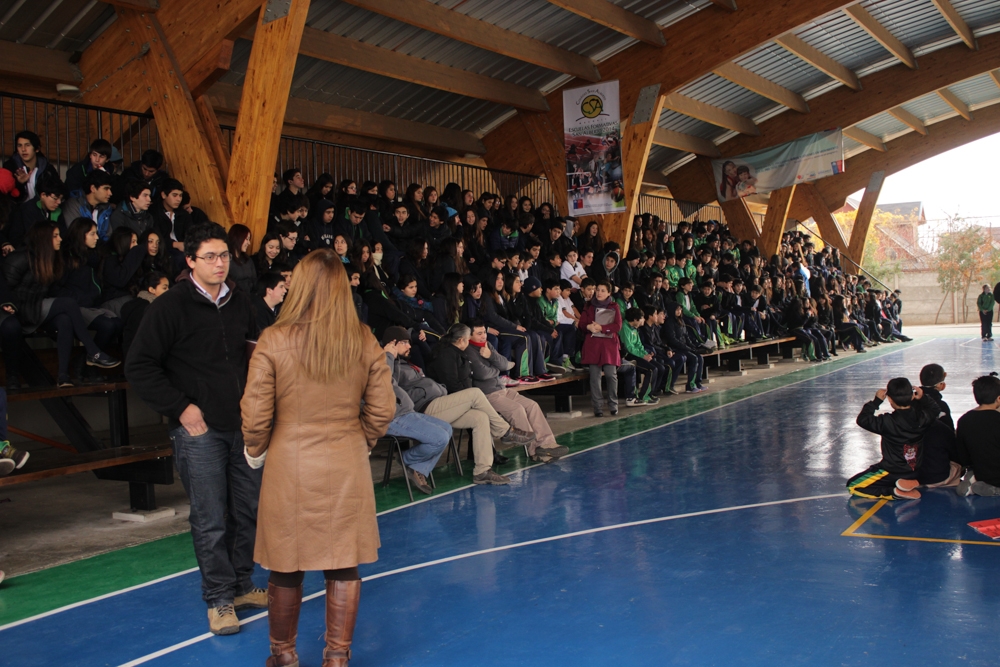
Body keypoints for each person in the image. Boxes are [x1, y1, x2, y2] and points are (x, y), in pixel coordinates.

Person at [240, 249, 394, 667]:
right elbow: (383, 409)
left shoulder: (274, 338)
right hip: (345, 462)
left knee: (285, 565)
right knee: (342, 564)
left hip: (289, 464)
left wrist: (256, 451)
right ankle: (337, 658)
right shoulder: (363, 337)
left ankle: (284, 656)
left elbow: (255, 415)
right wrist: (358, 439)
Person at [125, 223, 265, 636]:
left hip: (243, 427)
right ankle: (219, 599)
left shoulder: (243, 303)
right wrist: (182, 408)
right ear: (190, 261)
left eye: (224, 256)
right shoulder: (168, 307)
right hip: (199, 431)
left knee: (248, 511)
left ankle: (241, 584)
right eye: (210, 257)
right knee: (210, 517)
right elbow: (139, 366)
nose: (220, 263)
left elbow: (254, 355)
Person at [404, 324, 532, 485]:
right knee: (475, 393)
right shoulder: (446, 354)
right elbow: (451, 384)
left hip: (450, 407)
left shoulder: (458, 353)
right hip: (433, 406)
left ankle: (482, 471)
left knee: (481, 417)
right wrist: (468, 400)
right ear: (462, 340)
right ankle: (505, 431)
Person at [465, 321, 568, 463]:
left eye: (484, 332)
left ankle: (547, 443)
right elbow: (482, 374)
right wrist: (496, 369)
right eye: (479, 333)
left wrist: (491, 357)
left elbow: (503, 363)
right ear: (469, 336)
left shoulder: (487, 346)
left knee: (532, 405)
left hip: (502, 389)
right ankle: (535, 451)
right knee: (517, 409)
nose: (484, 336)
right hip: (487, 394)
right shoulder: (468, 351)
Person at [381, 326, 452, 495]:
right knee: (439, 437)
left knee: (447, 429)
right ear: (393, 343)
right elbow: (382, 383)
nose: (409, 346)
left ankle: (418, 468)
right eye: (405, 342)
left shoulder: (395, 360)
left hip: (405, 412)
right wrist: (388, 356)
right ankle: (406, 459)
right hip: (391, 417)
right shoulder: (379, 359)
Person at [847, 378, 941, 500]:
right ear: (913, 396)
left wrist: (876, 402)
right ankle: (907, 482)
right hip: (915, 469)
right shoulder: (923, 418)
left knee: (852, 486)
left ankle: (893, 492)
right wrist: (923, 397)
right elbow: (935, 410)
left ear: (890, 399)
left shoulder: (886, 422)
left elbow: (863, 419)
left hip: (891, 470)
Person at [578, 280, 621, 417]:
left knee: (611, 375)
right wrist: (588, 327)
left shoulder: (614, 306)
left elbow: (617, 326)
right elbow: (582, 324)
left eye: (603, 290)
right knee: (594, 377)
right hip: (593, 344)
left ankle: (613, 404)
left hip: (609, 345)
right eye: (598, 290)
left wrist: (602, 328)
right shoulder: (588, 306)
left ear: (609, 293)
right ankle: (597, 407)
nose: (599, 293)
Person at [916, 363, 960, 488]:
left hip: (908, 467)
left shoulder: (909, 404)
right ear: (942, 385)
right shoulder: (942, 407)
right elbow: (950, 438)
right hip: (936, 471)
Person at [956, 373, 1000, 496]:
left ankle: (973, 480)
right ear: (999, 399)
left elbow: (963, 457)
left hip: (980, 472)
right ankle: (993, 490)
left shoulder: (964, 420)